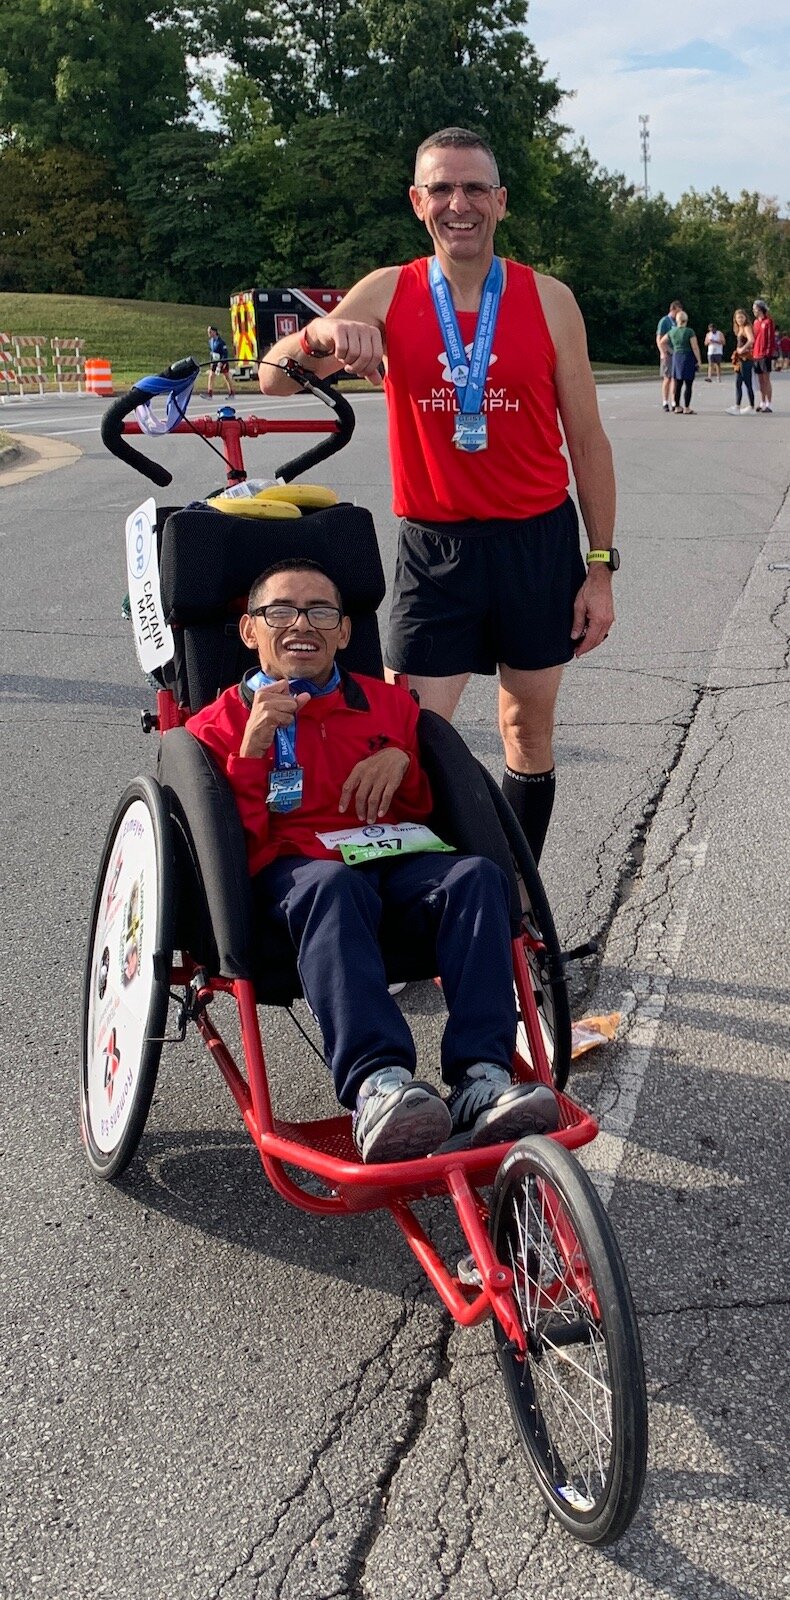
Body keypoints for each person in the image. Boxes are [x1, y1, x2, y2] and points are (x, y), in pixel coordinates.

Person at [258, 127, 618, 869]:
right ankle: (424, 906)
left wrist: (601, 567)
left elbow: (588, 441)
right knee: (402, 741)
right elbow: (273, 376)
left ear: (501, 202)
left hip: (535, 542)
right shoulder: (388, 291)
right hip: (436, 549)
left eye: (476, 188)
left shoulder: (549, 300)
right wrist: (324, 332)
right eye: (444, 189)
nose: (461, 204)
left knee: (526, 730)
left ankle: (517, 897)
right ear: (420, 201)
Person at [186, 557, 558, 1164]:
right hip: (291, 879)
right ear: (251, 630)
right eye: (280, 611)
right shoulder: (217, 725)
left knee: (477, 877)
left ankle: (480, 1077)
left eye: (321, 611)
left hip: (391, 858)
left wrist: (404, 764)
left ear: (344, 632)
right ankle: (376, 1086)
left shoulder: (390, 707)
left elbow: (425, 809)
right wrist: (252, 754)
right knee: (332, 887)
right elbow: (229, 852)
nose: (300, 624)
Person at [663, 311, 702, 413]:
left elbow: (663, 341)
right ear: (686, 320)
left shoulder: (672, 332)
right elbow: (694, 346)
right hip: (688, 356)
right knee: (688, 384)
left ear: (677, 320)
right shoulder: (689, 331)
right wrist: (698, 360)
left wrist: (670, 351)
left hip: (676, 357)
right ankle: (687, 407)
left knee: (678, 383)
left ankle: (677, 406)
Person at [726, 310, 755, 414]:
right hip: (739, 359)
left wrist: (743, 349)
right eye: (738, 318)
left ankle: (751, 407)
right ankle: (737, 406)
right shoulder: (740, 329)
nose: (740, 320)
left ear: (745, 317)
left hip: (745, 359)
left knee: (747, 383)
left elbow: (751, 340)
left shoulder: (747, 327)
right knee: (738, 383)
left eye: (742, 317)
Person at [657, 301, 684, 410]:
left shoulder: (677, 322)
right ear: (673, 309)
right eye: (678, 311)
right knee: (667, 377)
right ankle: (665, 401)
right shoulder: (665, 321)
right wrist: (662, 352)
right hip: (667, 353)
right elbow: (659, 338)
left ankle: (674, 401)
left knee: (675, 378)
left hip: (676, 353)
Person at [752, 299, 776, 412]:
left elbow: (771, 339)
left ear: (760, 309)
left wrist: (769, 352)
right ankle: (762, 402)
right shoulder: (755, 322)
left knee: (766, 379)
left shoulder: (768, 322)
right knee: (760, 380)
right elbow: (754, 338)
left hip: (765, 354)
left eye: (755, 308)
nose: (753, 311)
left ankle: (769, 403)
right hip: (756, 353)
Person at [207, 325, 234, 398]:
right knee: (211, 376)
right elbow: (211, 352)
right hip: (214, 362)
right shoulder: (210, 341)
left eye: (210, 332)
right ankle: (209, 393)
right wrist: (211, 362)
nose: (209, 333)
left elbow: (225, 353)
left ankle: (231, 393)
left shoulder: (221, 342)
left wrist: (222, 363)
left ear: (214, 332)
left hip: (222, 362)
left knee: (226, 377)